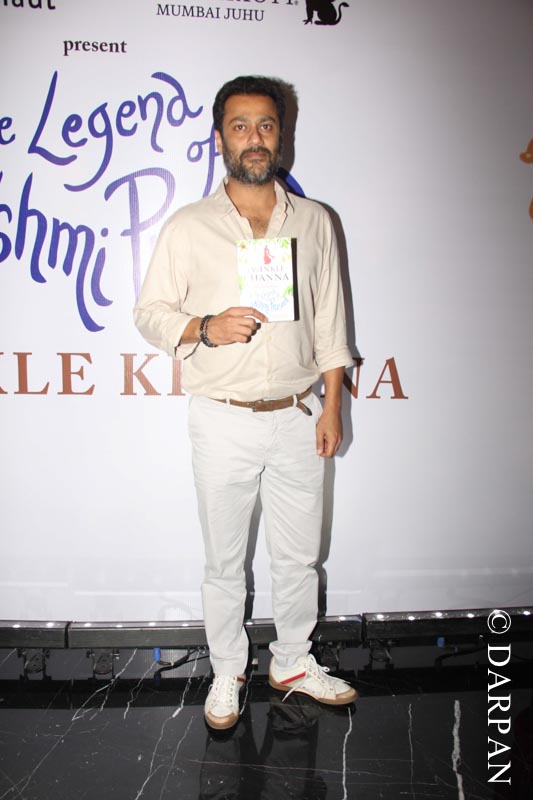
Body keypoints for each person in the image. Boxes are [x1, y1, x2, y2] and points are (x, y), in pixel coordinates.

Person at [134, 75, 356, 730]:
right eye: (239, 126)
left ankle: (292, 661)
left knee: (298, 557)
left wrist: (333, 407)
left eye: (265, 125)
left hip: (298, 415)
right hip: (221, 418)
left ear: (280, 135)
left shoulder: (314, 221)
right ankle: (228, 670)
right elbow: (149, 313)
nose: (253, 138)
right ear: (219, 138)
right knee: (224, 562)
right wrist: (204, 326)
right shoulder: (188, 226)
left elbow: (331, 321)